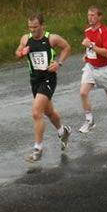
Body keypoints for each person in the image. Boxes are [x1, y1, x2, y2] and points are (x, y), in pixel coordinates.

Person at [15, 13, 72, 162]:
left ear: (42, 26)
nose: (32, 30)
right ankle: (63, 131)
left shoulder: (51, 38)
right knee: (50, 112)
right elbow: (17, 52)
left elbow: (66, 47)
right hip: (35, 80)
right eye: (30, 27)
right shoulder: (25, 39)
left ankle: (38, 149)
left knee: (36, 112)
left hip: (48, 79)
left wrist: (58, 63)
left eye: (35, 27)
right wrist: (22, 53)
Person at [78, 5, 107, 134]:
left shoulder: (105, 32)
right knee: (83, 92)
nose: (90, 18)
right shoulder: (87, 30)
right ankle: (89, 120)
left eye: (93, 15)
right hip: (90, 67)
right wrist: (86, 55)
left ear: (99, 17)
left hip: (104, 69)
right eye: (89, 15)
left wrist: (91, 46)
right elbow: (90, 48)